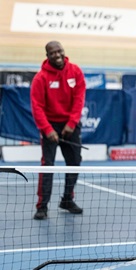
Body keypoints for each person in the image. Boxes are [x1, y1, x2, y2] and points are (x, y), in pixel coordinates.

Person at [30, 40, 86, 220]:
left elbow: (79, 99)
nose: (57, 55)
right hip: (50, 125)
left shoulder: (75, 71)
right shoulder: (40, 78)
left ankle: (67, 199)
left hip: (70, 125)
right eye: (53, 53)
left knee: (75, 161)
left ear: (64, 51)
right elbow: (36, 106)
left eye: (59, 51)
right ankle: (42, 206)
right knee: (48, 166)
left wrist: (72, 123)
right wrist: (47, 129)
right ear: (47, 56)